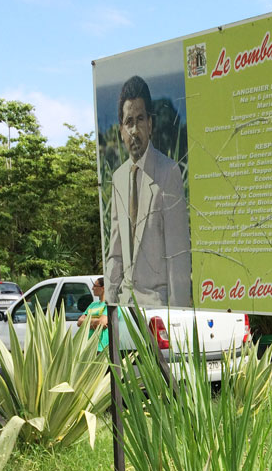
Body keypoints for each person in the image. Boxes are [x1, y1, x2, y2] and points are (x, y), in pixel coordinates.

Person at [105, 75, 192, 308]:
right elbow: (115, 254)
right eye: (128, 121)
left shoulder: (169, 173)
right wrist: (109, 307)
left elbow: (178, 257)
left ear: (150, 124)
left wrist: (178, 319)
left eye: (140, 120)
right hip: (124, 309)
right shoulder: (118, 178)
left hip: (158, 309)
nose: (134, 130)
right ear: (121, 130)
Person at [78, 277, 110, 352]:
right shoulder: (92, 304)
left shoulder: (109, 305)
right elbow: (79, 322)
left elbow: (101, 322)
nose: (92, 288)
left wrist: (87, 321)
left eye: (95, 286)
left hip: (101, 347)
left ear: (103, 288)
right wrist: (96, 321)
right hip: (87, 346)